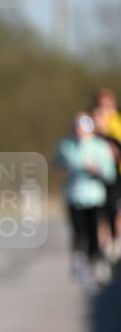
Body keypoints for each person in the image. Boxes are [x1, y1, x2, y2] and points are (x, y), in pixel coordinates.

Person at [54, 113, 116, 287]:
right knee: (78, 232)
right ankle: (80, 263)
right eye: (77, 129)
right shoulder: (65, 145)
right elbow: (58, 167)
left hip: (95, 196)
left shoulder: (100, 146)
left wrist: (97, 170)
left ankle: (94, 262)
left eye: (83, 130)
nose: (80, 133)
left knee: (94, 232)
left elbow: (110, 173)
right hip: (74, 196)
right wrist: (65, 170)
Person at [91, 94, 121, 262]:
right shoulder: (92, 135)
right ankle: (104, 246)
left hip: (116, 175)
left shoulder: (117, 125)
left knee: (115, 210)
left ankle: (116, 241)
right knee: (101, 213)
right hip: (97, 178)